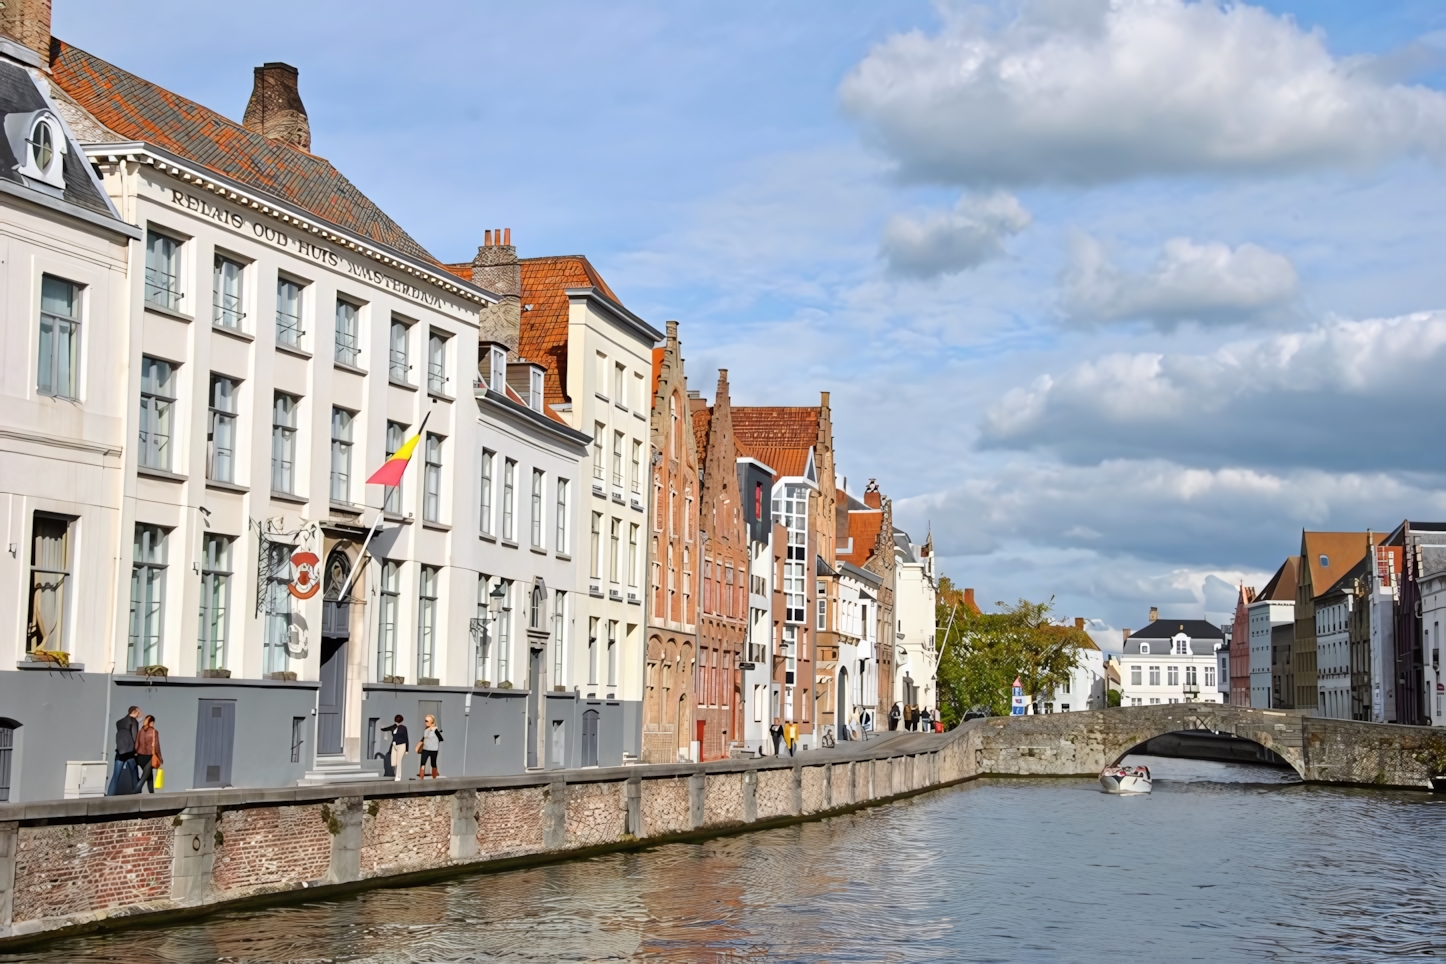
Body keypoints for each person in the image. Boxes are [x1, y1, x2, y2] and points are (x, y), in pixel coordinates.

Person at [107, 706, 140, 795]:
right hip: (130, 752)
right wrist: (136, 751)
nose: (139, 714)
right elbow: (135, 737)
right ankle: (137, 795)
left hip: (120, 752)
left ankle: (109, 795)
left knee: (115, 776)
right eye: (138, 712)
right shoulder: (134, 722)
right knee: (134, 774)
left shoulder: (119, 722)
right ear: (134, 711)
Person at [136, 715, 163, 793]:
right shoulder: (154, 732)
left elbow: (136, 745)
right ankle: (136, 790)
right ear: (151, 722)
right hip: (149, 757)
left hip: (140, 757)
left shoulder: (140, 732)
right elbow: (157, 747)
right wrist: (160, 757)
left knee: (149, 776)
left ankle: (152, 793)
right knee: (144, 777)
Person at [381, 715, 409, 781]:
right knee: (393, 762)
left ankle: (398, 776)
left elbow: (406, 738)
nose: (398, 723)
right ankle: (396, 773)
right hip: (394, 745)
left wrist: (407, 749)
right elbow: (386, 729)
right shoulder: (393, 727)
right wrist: (381, 728)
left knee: (399, 761)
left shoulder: (404, 728)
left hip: (402, 745)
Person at [416, 714, 443, 779]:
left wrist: (433, 742)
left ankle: (434, 777)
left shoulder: (435, 730)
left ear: (432, 721)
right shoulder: (426, 730)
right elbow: (424, 738)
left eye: (427, 721)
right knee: (423, 763)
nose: (425, 722)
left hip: (433, 749)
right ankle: (421, 778)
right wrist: (419, 745)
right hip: (425, 748)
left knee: (433, 763)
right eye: (425, 721)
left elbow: (440, 738)